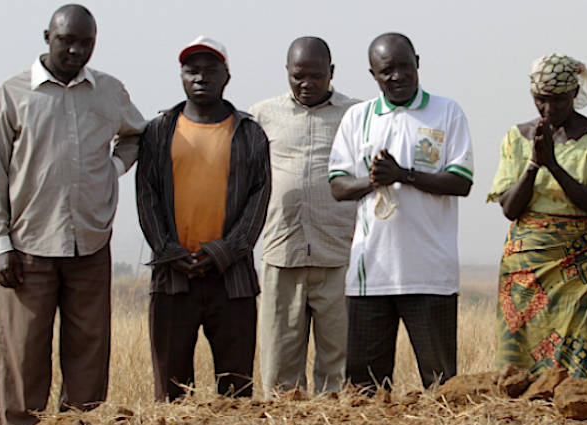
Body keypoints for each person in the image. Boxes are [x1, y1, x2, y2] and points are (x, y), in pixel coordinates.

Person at [0, 4, 145, 425]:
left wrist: (113, 167)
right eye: (65, 40)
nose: (74, 50)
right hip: (28, 248)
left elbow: (136, 134)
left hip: (90, 244)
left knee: (89, 355)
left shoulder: (108, 91)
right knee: (23, 358)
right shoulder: (11, 94)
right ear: (46, 36)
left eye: (85, 43)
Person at [329, 33, 474, 392]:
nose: (397, 77)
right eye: (386, 71)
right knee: (366, 389)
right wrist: (374, 181)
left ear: (418, 63)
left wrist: (405, 175)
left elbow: (461, 182)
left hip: (430, 274)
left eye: (404, 67)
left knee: (441, 386)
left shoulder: (447, 111)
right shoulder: (357, 117)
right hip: (370, 277)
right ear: (373, 74)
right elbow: (337, 185)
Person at [136, 36, 271, 401]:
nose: (200, 78)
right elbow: (146, 197)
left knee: (236, 390)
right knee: (171, 394)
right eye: (191, 70)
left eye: (210, 71)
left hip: (232, 281)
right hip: (172, 279)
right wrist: (170, 251)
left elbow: (258, 202)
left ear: (226, 76)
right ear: (181, 75)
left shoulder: (250, 133)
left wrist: (221, 252)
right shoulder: (158, 131)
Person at [487, 54, 587, 378]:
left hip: (585, 266)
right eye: (541, 101)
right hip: (527, 267)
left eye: (557, 101)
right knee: (521, 368)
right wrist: (534, 164)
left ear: (573, 94)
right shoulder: (516, 137)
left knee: (585, 363)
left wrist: (554, 164)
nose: (549, 110)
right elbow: (510, 208)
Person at [249, 37, 358, 398]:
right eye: (298, 76)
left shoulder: (356, 114)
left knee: (338, 368)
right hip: (283, 253)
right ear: (287, 73)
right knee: (279, 368)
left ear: (331, 73)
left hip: (339, 254)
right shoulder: (262, 115)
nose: (306, 83)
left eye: (315, 75)